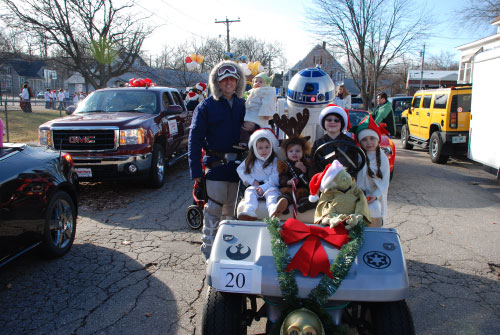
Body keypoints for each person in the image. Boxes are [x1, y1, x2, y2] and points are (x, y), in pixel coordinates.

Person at [188, 60, 246, 260]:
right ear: (217, 82)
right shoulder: (206, 106)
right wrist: (196, 172)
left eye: (232, 79)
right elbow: (194, 139)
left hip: (237, 168)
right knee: (213, 211)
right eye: (224, 80)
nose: (228, 83)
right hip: (215, 167)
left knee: (231, 213)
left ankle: (227, 254)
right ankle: (209, 253)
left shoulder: (242, 105)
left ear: (238, 82)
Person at [350, 114, 390, 227]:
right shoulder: (358, 156)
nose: (369, 142)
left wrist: (375, 196)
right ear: (360, 142)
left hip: (373, 195)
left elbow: (384, 183)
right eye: (364, 139)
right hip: (357, 192)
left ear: (377, 139)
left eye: (372, 138)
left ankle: (374, 230)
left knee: (374, 208)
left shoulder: (383, 159)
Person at [236, 128, 285, 220]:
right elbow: (240, 170)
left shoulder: (274, 161)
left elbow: (275, 178)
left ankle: (273, 211)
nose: (264, 151)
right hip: (256, 186)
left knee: (272, 194)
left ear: (271, 148)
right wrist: (251, 181)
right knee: (250, 191)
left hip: (270, 186)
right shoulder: (251, 161)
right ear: (255, 148)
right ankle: (249, 211)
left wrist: (263, 187)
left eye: (267, 147)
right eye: (260, 148)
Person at [309, 104, 358, 178]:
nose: (332, 122)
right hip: (324, 181)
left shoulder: (350, 143)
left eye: (336, 120)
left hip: (345, 181)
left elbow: (355, 166)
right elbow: (313, 167)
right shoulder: (318, 143)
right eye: (329, 120)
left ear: (341, 124)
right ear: (324, 123)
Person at [277, 135, 314, 214]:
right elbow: (282, 177)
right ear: (287, 153)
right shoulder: (285, 165)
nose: (294, 153)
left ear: (303, 152)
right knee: (287, 195)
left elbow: (311, 177)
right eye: (291, 151)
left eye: (297, 151)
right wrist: (288, 181)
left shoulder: (306, 163)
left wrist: (304, 169)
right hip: (289, 188)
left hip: (302, 188)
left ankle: (304, 204)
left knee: (304, 195)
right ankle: (284, 205)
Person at [239, 72, 276, 147]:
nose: (257, 83)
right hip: (251, 114)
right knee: (244, 128)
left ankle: (246, 142)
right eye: (255, 81)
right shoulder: (253, 91)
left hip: (259, 116)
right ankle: (245, 142)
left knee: (248, 129)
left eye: (261, 82)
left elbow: (268, 103)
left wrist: (267, 114)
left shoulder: (266, 91)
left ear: (266, 84)